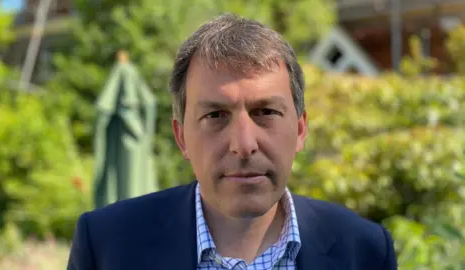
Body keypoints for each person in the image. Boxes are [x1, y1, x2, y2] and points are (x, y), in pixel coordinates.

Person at [67, 14, 397, 270]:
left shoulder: (365, 251)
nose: (243, 144)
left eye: (265, 111)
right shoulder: (108, 246)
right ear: (181, 137)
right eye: (215, 116)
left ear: (299, 130)